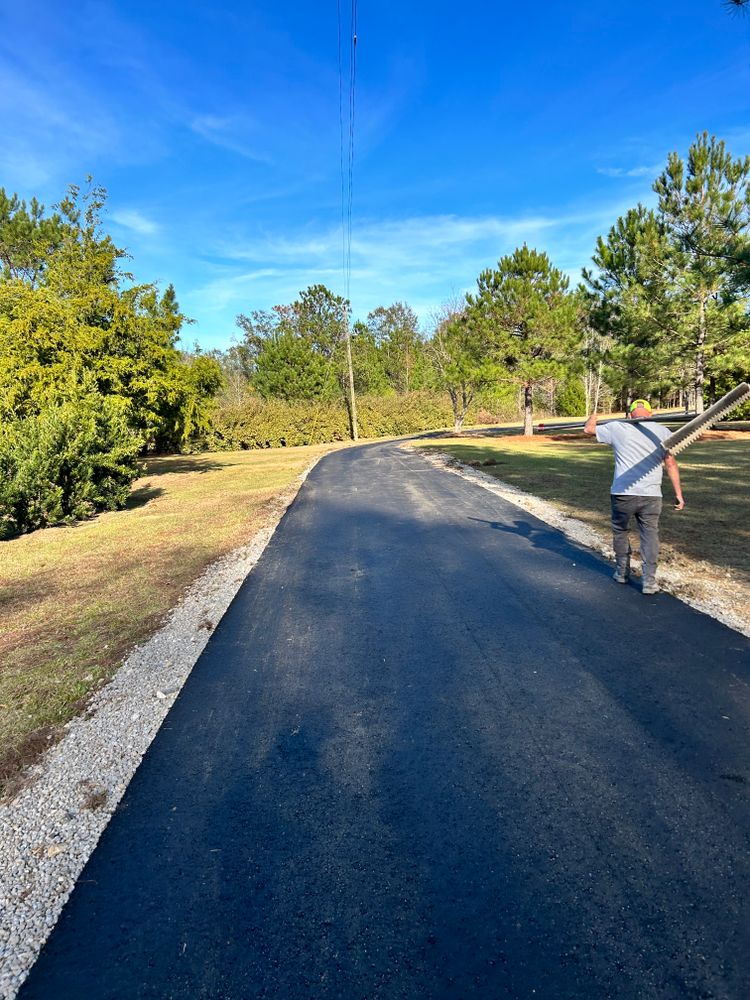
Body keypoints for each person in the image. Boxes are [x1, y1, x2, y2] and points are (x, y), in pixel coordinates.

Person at [584, 399, 685, 595]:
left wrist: (593, 417)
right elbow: (671, 464)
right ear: (650, 413)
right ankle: (649, 582)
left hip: (623, 494)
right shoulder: (663, 432)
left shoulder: (617, 427)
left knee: (620, 530)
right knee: (650, 535)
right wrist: (679, 494)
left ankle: (622, 572)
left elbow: (588, 429)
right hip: (651, 496)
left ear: (630, 414)